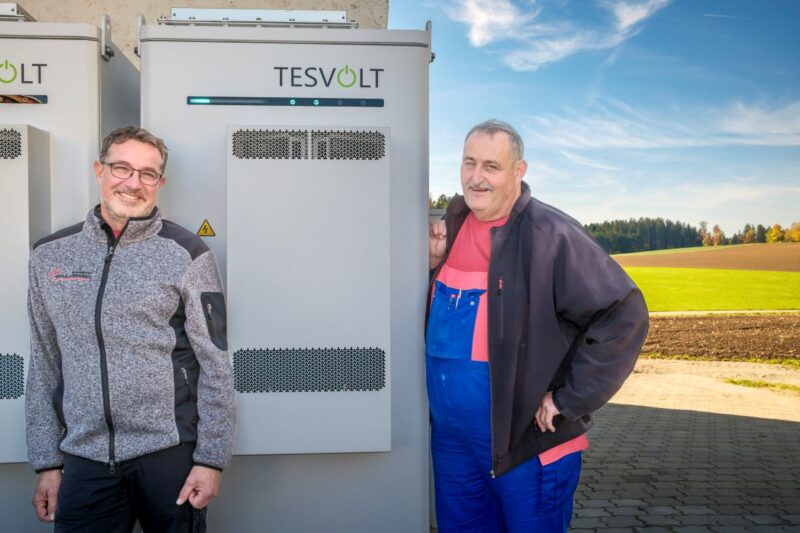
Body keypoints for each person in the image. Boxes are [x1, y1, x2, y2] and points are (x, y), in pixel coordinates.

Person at [427, 119, 648, 532]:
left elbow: (623, 312)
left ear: (519, 171)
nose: (477, 177)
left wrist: (569, 399)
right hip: (454, 446)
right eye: (468, 163)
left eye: (491, 166)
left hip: (526, 446)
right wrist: (429, 267)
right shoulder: (449, 229)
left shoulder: (551, 235)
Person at [26, 126, 236, 532]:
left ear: (160, 183)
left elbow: (215, 363)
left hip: (169, 455)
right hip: (84, 458)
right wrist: (47, 461)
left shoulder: (189, 253)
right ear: (99, 171)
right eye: (122, 168)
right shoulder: (49, 255)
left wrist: (211, 459)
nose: (133, 183)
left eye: (147, 173)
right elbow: (44, 363)